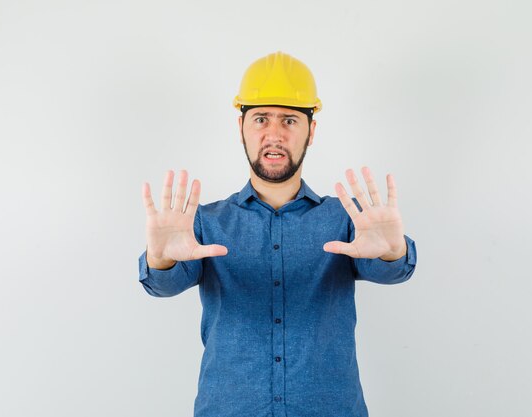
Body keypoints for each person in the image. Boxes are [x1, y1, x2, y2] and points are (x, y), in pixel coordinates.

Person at [138, 51, 417, 417]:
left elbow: (392, 270)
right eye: (260, 119)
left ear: (311, 131)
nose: (274, 134)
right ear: (240, 128)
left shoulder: (347, 219)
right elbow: (162, 285)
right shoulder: (204, 222)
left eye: (289, 120)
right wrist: (160, 258)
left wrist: (392, 251)